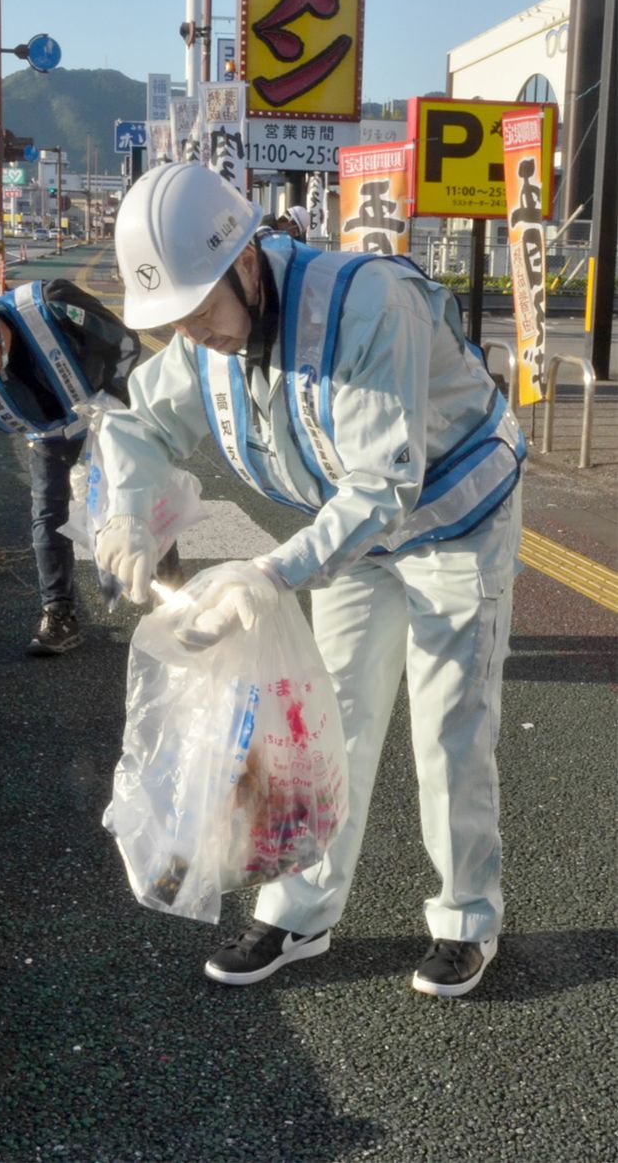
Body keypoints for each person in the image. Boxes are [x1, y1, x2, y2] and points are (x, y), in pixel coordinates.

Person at [94, 162, 526, 997]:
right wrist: (126, 513)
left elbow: (384, 485)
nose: (194, 334)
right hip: (353, 539)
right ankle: (299, 909)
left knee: (450, 726)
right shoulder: (208, 336)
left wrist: (269, 571)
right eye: (175, 321)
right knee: (325, 717)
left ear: (246, 262)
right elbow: (140, 422)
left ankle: (467, 917)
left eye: (200, 311)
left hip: (457, 519)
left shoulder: (367, 306)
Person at [0, 282, 181, 656]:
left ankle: (175, 599)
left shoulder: (51, 303)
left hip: (108, 410)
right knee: (47, 513)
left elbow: (124, 342)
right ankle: (58, 613)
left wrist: (114, 395)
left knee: (141, 496)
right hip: (50, 432)